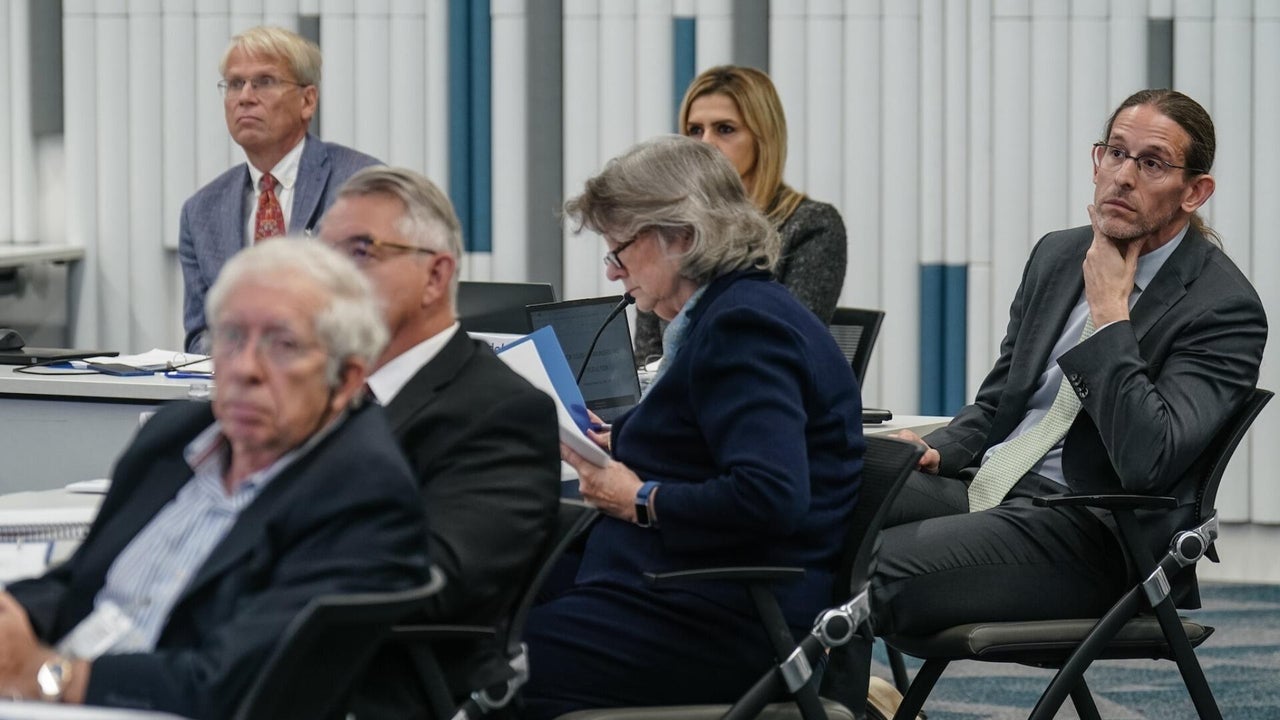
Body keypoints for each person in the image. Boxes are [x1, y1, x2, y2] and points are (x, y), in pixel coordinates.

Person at [856, 89, 1267, 713]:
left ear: (1195, 192)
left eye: (1152, 163)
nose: (1123, 176)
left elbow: (1147, 460)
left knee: (867, 566)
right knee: (820, 495)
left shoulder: (1223, 308)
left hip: (1096, 532)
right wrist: (939, 448)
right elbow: (1001, 401)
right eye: (1115, 153)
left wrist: (1110, 317)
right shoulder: (1058, 254)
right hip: (996, 486)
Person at [0, 238, 432, 718]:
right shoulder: (175, 435)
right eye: (231, 337)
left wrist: (49, 676)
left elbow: (230, 685)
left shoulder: (360, 492)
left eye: (283, 345)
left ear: (346, 379)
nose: (245, 368)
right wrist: (11, 621)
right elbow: (79, 580)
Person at [521, 135, 865, 718]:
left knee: (474, 663)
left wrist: (641, 500)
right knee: (470, 615)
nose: (612, 272)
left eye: (619, 251)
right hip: (672, 589)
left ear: (681, 236)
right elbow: (706, 439)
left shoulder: (744, 328)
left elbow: (770, 495)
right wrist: (622, 440)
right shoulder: (729, 313)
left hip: (711, 616)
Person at [318, 167, 561, 712]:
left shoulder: (500, 412)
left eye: (360, 252)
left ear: (435, 276)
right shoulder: (317, 394)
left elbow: (434, 580)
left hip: (376, 688)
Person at [179, 25, 381, 353]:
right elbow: (200, 336)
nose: (245, 97)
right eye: (235, 84)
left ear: (307, 101)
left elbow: (376, 313)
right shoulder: (201, 212)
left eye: (264, 82)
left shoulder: (361, 184)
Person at [632, 65, 847, 364]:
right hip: (676, 390)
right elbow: (646, 356)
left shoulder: (811, 226)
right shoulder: (671, 228)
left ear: (763, 138)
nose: (706, 144)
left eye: (725, 129)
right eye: (695, 130)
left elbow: (785, 346)